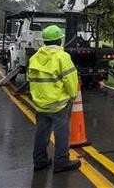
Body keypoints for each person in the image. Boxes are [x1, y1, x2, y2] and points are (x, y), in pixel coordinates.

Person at [28, 25, 80, 173]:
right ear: (59, 41)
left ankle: (39, 161)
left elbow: (30, 79)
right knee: (61, 133)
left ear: (44, 41)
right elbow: (71, 80)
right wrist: (72, 96)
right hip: (59, 104)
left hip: (40, 103)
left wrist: (38, 97)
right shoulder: (62, 57)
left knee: (41, 132)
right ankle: (61, 162)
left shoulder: (35, 57)